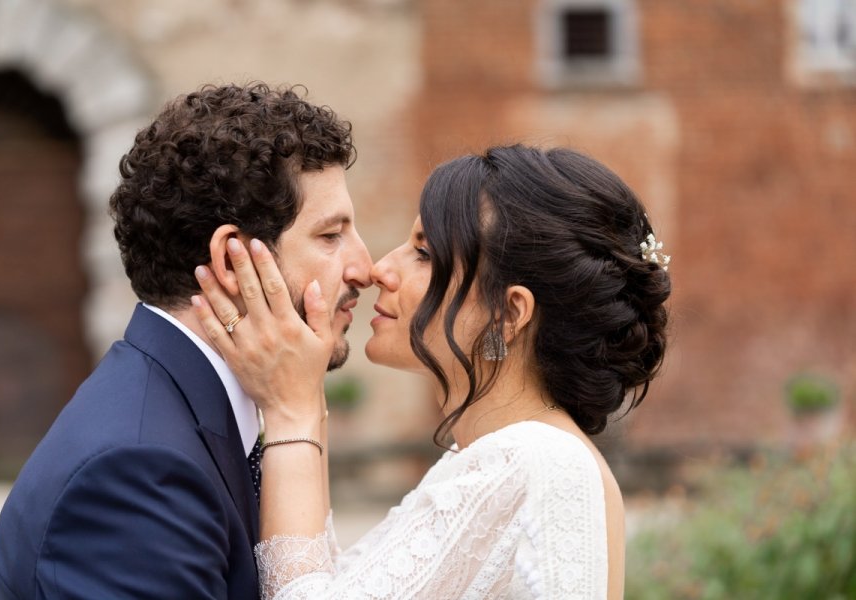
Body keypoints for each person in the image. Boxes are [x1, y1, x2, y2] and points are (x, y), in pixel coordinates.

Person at [192, 144, 672, 599]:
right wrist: (307, 395)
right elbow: (335, 583)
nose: (380, 269)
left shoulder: (533, 460)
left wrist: (290, 411)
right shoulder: (496, 455)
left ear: (509, 314)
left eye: (424, 254)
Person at [0, 82, 372, 599]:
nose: (365, 268)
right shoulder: (136, 475)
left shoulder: (179, 415)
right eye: (331, 236)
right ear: (234, 261)